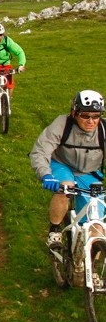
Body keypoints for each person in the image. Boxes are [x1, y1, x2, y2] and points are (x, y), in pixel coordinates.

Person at [30, 89, 105, 251]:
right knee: (66, 187)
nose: (91, 121)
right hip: (61, 165)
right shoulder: (62, 124)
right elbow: (40, 151)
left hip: (88, 172)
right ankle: (55, 230)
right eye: (85, 116)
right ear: (74, 113)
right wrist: (46, 175)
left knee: (97, 226)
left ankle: (88, 268)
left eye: (96, 116)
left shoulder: (103, 130)